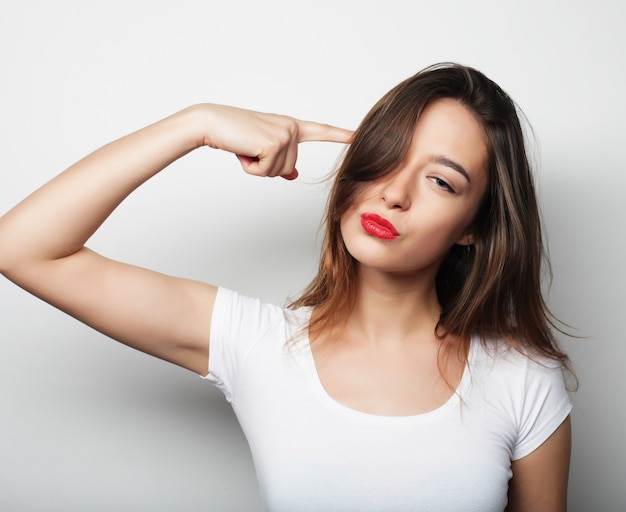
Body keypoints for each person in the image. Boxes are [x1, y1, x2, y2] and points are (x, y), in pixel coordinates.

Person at [0, 63, 572, 511]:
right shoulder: (258, 344)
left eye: (441, 182)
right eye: (388, 157)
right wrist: (195, 123)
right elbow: (21, 249)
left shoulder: (521, 377)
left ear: (473, 227)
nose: (395, 193)